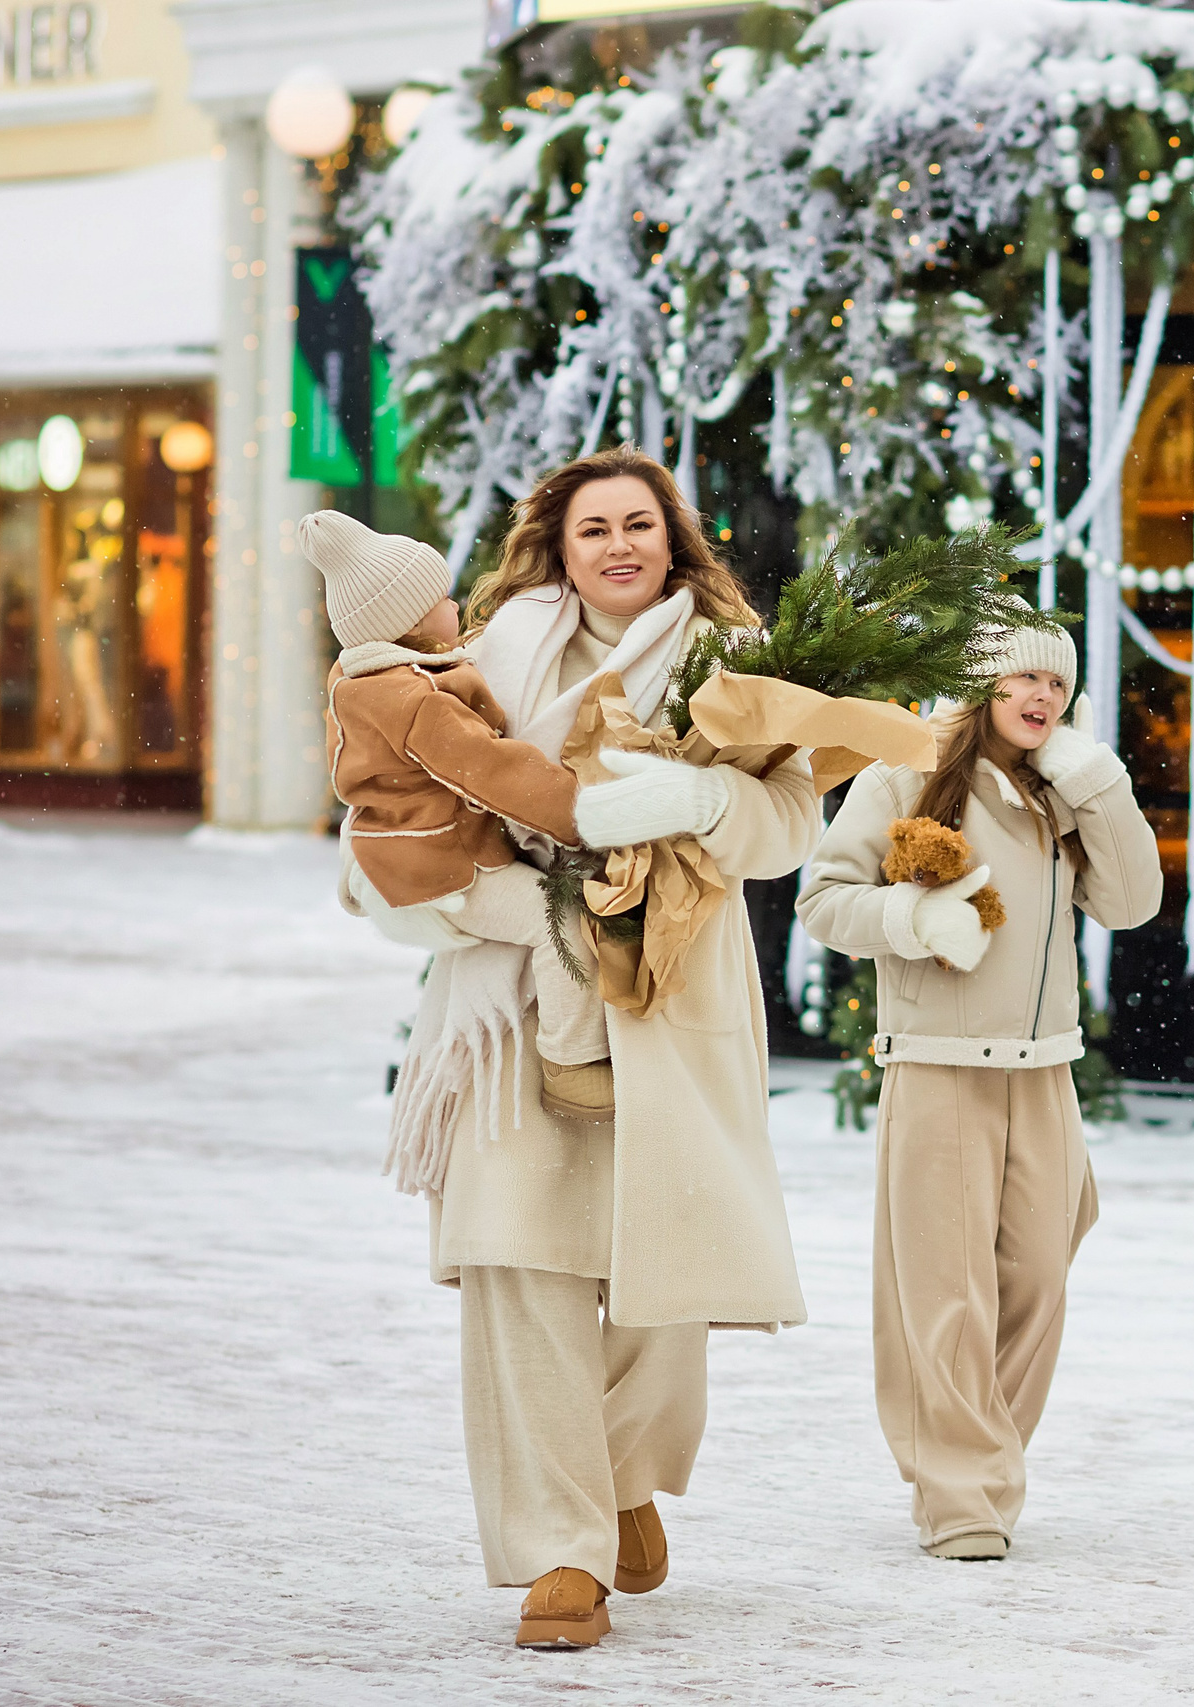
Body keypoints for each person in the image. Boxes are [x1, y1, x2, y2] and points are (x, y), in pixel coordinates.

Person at [340, 447, 815, 1648]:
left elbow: (790, 824)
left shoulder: (730, 657)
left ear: (672, 539)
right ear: (558, 546)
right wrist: (426, 895)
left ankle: (621, 1470)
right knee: (521, 1262)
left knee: (666, 1271)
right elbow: (397, 800)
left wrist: (701, 802)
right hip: (511, 992)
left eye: (637, 524)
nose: (617, 545)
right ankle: (561, 1549)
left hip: (669, 983)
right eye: (593, 527)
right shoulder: (484, 658)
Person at [796, 614, 1161, 1560]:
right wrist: (916, 919)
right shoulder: (904, 774)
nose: (1042, 696)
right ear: (979, 687)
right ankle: (961, 1492)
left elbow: (1131, 903)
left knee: (1039, 1275)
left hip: (1044, 1068)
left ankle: (974, 1455)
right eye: (1021, 679)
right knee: (946, 1287)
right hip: (939, 1063)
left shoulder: (1061, 790)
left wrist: (1097, 781)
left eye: (1056, 683)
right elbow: (823, 901)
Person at [303, 508, 622, 1118]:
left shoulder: (363, 677)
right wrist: (585, 815)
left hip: (397, 853)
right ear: (411, 627)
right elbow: (492, 770)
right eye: (444, 602)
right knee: (560, 921)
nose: (457, 608)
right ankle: (571, 1063)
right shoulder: (416, 701)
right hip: (445, 864)